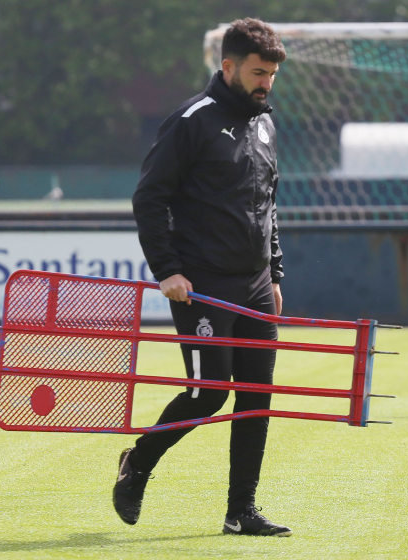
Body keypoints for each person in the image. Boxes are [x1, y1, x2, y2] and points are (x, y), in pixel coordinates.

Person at [114, 18, 291, 536]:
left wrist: (274, 271)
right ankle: (138, 462)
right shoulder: (191, 121)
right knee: (208, 393)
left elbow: (268, 205)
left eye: (273, 75)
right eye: (258, 73)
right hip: (203, 287)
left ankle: (242, 512)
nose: (266, 83)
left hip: (255, 284)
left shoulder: (265, 122)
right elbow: (149, 198)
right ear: (228, 66)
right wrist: (167, 269)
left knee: (257, 393)